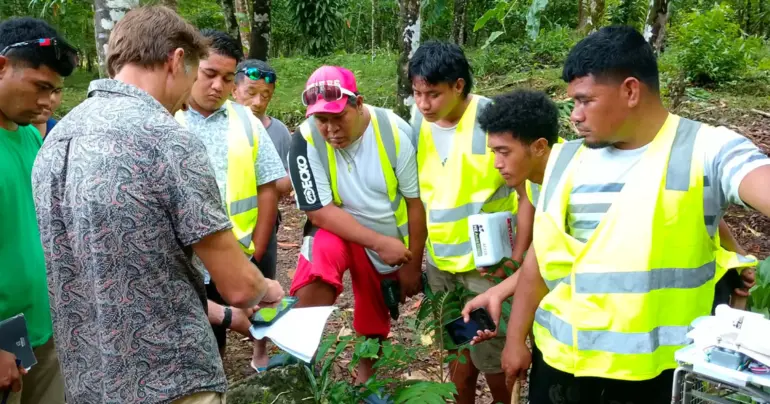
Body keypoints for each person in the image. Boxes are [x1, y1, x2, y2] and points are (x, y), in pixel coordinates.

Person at [463, 26, 770, 404]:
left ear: (630, 91)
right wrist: (515, 340)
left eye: (584, 100)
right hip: (560, 365)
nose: (573, 116)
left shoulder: (708, 149)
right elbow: (540, 263)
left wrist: (732, 252)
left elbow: (745, 185)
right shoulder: (562, 161)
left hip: (651, 375)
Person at [32, 7, 284, 404]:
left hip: (89, 380)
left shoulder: (56, 141)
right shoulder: (168, 139)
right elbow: (237, 285)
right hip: (170, 378)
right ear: (177, 60)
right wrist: (266, 287)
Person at [465, 88, 757, 338]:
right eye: (494, 153)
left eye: (504, 152)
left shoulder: (584, 171)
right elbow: (543, 255)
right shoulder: (533, 183)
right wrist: (500, 291)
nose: (497, 164)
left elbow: (689, 203)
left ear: (540, 147)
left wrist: (738, 256)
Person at [287, 66, 426, 400]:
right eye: (322, 120)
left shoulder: (394, 132)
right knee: (316, 270)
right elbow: (318, 211)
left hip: (389, 238)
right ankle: (298, 359)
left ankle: (366, 380)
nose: (331, 130)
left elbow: (414, 203)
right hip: (342, 227)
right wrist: (378, 242)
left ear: (359, 103)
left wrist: (411, 263)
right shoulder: (305, 138)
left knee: (375, 308)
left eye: (339, 118)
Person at [408, 41, 535, 404]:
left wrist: (518, 255)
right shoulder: (419, 124)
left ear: (459, 85)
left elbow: (528, 194)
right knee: (458, 352)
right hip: (442, 264)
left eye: (433, 94)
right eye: (417, 94)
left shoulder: (493, 119)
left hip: (489, 267)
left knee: (494, 358)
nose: (423, 104)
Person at [174, 30, 286, 371]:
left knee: (261, 308)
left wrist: (261, 246)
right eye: (209, 75)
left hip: (242, 249)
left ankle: (260, 354)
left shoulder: (245, 120)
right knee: (209, 327)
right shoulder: (167, 117)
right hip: (188, 257)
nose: (217, 87)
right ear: (189, 67)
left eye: (226, 78)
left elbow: (269, 184)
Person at [0, 17, 74, 404]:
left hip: (40, 327)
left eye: (57, 90)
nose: (49, 102)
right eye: (41, 87)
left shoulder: (31, 134)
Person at [231, 58, 292, 372]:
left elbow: (286, 180)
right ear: (235, 89)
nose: (257, 101)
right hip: (226, 229)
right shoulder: (225, 125)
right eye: (250, 92)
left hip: (265, 226)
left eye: (265, 96)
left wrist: (273, 180)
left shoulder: (278, 131)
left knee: (265, 286)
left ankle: (260, 352)